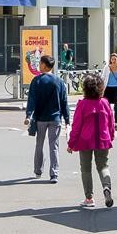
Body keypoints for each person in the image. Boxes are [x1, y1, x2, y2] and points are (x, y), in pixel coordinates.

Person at [67, 73, 116, 208]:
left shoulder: (82, 104)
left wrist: (71, 144)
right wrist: (111, 137)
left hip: (85, 140)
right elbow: (111, 123)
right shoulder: (105, 103)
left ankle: (89, 198)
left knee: (86, 169)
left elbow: (76, 126)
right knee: (103, 166)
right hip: (102, 139)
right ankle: (106, 187)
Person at [24, 54, 69, 182]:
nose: (39, 65)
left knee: (39, 144)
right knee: (54, 146)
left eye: (40, 63)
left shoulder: (37, 81)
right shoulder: (59, 81)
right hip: (55, 118)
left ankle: (38, 170)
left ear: (44, 65)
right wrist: (67, 119)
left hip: (40, 118)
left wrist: (28, 115)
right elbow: (64, 101)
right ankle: (54, 174)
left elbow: (32, 100)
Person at [104, 52, 117, 126]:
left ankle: (116, 123)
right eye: (112, 59)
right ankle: (108, 122)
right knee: (107, 106)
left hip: (116, 88)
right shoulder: (107, 68)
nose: (113, 60)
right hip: (108, 88)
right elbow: (103, 77)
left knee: (116, 106)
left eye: (115, 59)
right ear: (110, 60)